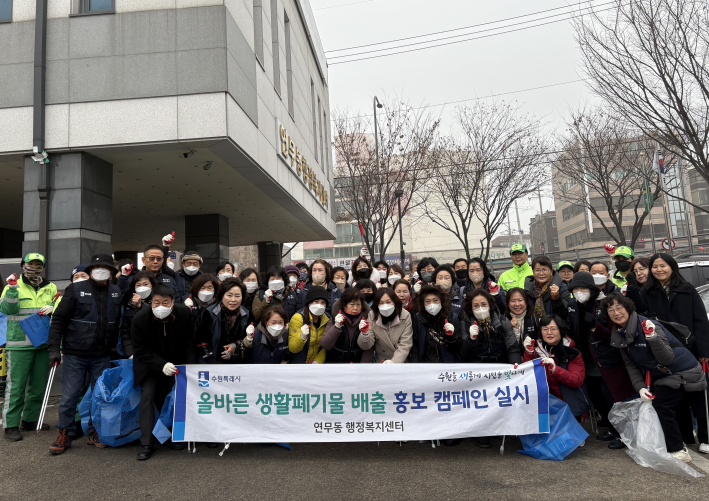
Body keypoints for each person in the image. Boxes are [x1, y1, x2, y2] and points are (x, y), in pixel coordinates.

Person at [605, 293, 708, 461]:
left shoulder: (647, 324)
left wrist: (653, 338)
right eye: (611, 309)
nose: (616, 312)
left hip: (684, 370)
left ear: (628, 308)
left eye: (619, 307)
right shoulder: (618, 334)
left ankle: (677, 450)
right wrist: (640, 388)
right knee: (662, 402)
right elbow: (630, 365)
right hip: (663, 375)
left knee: (662, 404)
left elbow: (667, 358)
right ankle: (681, 440)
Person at [46, 254, 123, 454]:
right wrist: (54, 348)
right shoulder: (75, 289)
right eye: (96, 267)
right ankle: (64, 433)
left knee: (101, 396)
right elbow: (59, 320)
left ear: (112, 272)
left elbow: (118, 321)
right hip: (75, 353)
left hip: (102, 354)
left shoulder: (116, 291)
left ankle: (96, 431)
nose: (100, 270)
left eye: (105, 267)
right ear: (89, 271)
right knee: (69, 396)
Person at [565, 272, 635, 449]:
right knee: (596, 397)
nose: (579, 292)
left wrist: (595, 324)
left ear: (592, 290)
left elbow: (612, 334)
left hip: (605, 359)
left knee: (610, 395)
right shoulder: (573, 304)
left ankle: (623, 433)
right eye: (576, 289)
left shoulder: (604, 304)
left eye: (583, 289)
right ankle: (612, 429)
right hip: (584, 359)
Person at [132, 285, 194, 460]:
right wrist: (160, 364)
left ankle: (171, 435)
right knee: (148, 395)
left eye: (165, 302)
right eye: (156, 302)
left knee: (177, 396)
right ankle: (146, 442)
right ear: (150, 302)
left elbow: (189, 343)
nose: (160, 306)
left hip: (176, 364)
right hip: (149, 365)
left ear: (173, 302)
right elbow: (140, 349)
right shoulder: (140, 318)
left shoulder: (184, 314)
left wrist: (187, 368)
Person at [1, 253, 58, 443]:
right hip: (19, 345)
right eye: (30, 264)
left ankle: (30, 420)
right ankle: (10, 425)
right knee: (16, 387)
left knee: (38, 386)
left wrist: (54, 307)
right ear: (22, 265)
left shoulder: (50, 287)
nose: (34, 267)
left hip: (42, 344)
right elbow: (7, 310)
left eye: (38, 264)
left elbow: (57, 309)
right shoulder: (14, 285)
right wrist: (11, 290)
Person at [627, 253, 709, 364]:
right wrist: (632, 288)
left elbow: (701, 321)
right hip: (661, 350)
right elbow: (637, 309)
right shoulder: (647, 291)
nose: (659, 270)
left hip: (689, 347)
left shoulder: (687, 289)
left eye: (663, 266)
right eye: (655, 267)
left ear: (672, 267)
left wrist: (704, 350)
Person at [522, 315, 589, 418]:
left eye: (553, 329)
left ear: (561, 331)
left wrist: (555, 369)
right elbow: (526, 376)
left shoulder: (572, 352)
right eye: (545, 329)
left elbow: (576, 380)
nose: (549, 332)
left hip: (568, 403)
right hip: (543, 403)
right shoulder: (537, 351)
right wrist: (529, 353)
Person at [195, 278, 254, 364]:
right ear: (222, 295)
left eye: (237, 296)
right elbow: (201, 342)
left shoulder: (248, 315)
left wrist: (235, 346)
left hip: (237, 365)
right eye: (229, 295)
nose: (233, 300)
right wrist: (213, 364)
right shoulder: (208, 313)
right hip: (210, 363)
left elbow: (247, 339)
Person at [410, 284, 460, 363]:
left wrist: (451, 336)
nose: (432, 304)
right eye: (427, 301)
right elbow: (415, 346)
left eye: (435, 300)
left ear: (441, 301)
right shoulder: (417, 319)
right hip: (425, 364)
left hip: (447, 364)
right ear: (423, 303)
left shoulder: (452, 318)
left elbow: (459, 348)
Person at [321, 288, 374, 363]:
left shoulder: (367, 321)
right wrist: (336, 327)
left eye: (358, 304)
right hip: (336, 362)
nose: (355, 308)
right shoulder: (334, 319)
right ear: (344, 306)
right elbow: (325, 345)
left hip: (357, 363)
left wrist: (364, 366)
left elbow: (369, 349)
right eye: (352, 304)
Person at [119, 271, 158, 359]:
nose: (142, 288)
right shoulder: (128, 304)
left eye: (145, 284)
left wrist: (142, 307)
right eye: (138, 285)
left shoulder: (158, 302)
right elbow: (125, 332)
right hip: (134, 351)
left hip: (155, 352)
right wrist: (129, 353)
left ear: (152, 285)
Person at [288, 286, 331, 364]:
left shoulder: (327, 319)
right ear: (309, 303)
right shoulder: (298, 318)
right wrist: (301, 337)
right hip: (299, 364)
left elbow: (325, 346)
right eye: (316, 301)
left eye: (323, 302)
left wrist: (318, 361)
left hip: (316, 365)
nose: (319, 305)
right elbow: (292, 348)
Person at [524, 256, 569, 320]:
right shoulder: (528, 290)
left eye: (544, 270)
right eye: (537, 270)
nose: (541, 273)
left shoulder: (562, 288)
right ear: (533, 272)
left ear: (551, 272)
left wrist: (556, 299)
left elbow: (565, 314)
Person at [504, 287, 539, 354]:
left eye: (520, 300)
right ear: (508, 303)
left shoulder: (535, 320)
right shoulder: (503, 321)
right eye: (513, 301)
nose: (517, 304)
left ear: (526, 302)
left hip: (531, 360)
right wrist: (512, 330)